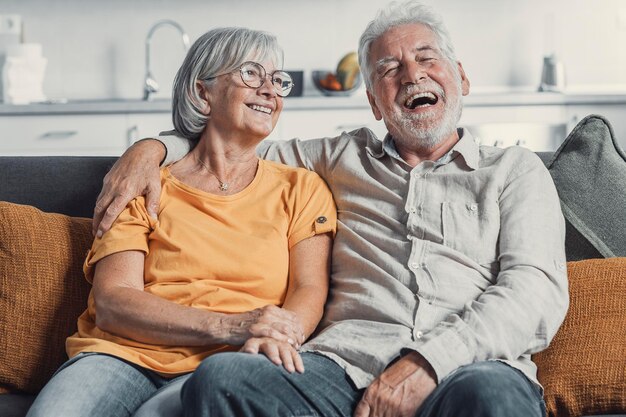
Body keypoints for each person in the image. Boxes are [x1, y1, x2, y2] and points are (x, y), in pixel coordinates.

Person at [93, 2, 569, 417]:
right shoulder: (336, 158)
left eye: (427, 59)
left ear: (461, 77)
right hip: (342, 367)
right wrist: (150, 147)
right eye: (389, 69)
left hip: (471, 366)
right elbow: (228, 143)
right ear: (374, 103)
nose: (412, 75)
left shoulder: (514, 170)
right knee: (223, 379)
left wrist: (428, 363)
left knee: (495, 399)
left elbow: (534, 292)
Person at [25, 27, 337, 417]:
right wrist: (232, 325)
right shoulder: (143, 182)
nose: (270, 91)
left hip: (229, 364)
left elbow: (309, 288)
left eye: (277, 80)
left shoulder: (301, 188)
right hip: (121, 355)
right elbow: (113, 301)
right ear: (202, 93)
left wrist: (283, 335)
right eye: (251, 74)